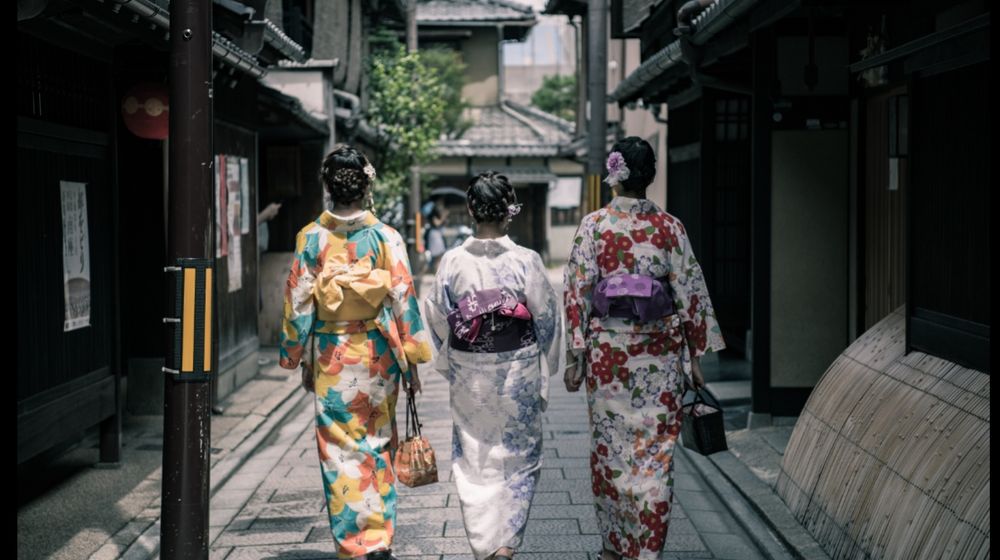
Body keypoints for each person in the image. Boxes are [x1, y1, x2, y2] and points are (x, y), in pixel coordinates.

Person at [563, 137, 725, 560]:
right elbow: (690, 292)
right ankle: (647, 549)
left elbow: (577, 291)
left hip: (608, 358)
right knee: (655, 457)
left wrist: (575, 354)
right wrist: (696, 358)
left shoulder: (594, 226)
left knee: (611, 451)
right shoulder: (670, 228)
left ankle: (615, 546)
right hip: (661, 357)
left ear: (613, 175)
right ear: (649, 176)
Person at [279, 144, 433, 560]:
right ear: (366, 186)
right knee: (378, 441)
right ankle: (380, 539)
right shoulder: (386, 237)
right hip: (379, 350)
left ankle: (355, 545)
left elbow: (298, 304)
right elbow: (403, 296)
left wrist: (297, 354)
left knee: (339, 449)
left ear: (328, 187)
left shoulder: (311, 238)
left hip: (332, 351)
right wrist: (413, 358)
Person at [424, 172, 564, 560]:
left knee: (474, 457)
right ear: (509, 212)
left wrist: (450, 358)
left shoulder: (452, 261)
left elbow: (437, 317)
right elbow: (547, 319)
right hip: (518, 368)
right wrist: (546, 366)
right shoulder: (526, 261)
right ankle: (506, 543)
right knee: (520, 457)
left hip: (470, 369)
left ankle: (484, 544)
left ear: (470, 210)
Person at [424, 205, 448, 273]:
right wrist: (443, 217)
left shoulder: (435, 216)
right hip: (434, 236)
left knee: (438, 258)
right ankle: (436, 272)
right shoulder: (434, 217)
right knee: (437, 257)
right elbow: (437, 224)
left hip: (436, 236)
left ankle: (436, 272)